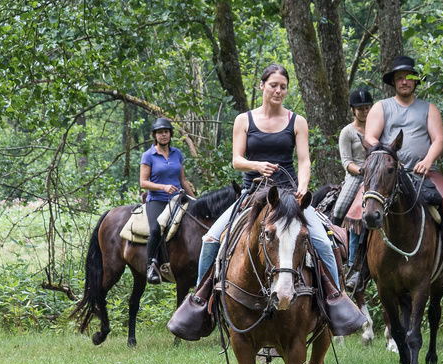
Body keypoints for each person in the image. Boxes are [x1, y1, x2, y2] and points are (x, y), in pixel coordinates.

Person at [168, 63, 367, 340]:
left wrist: (303, 188)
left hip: (288, 197)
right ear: (262, 86)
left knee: (322, 239)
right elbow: (237, 160)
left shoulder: (296, 121)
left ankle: (335, 298)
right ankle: (204, 302)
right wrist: (257, 165)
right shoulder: (244, 120)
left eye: (283, 86)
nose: (278, 90)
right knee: (212, 239)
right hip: (253, 195)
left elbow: (304, 160)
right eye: (273, 85)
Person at [359, 55, 443, 285]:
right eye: (400, 78)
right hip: (386, 173)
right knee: (358, 209)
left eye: (409, 78)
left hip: (422, 172)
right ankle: (358, 265)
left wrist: (428, 160)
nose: (404, 82)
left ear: (415, 82)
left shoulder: (428, 108)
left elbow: (439, 138)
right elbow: (370, 137)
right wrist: (389, 158)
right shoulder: (381, 107)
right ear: (394, 82)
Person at [139, 117, 196, 284]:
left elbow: (183, 180)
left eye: (166, 132)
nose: (163, 135)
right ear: (155, 135)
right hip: (157, 200)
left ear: (170, 134)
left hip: (178, 199)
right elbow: (143, 182)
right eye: (160, 133)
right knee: (156, 229)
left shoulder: (177, 153)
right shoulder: (148, 155)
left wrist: (194, 199)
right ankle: (151, 266)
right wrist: (163, 187)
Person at [334, 88, 372, 267]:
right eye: (360, 109)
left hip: (378, 173)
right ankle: (338, 244)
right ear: (353, 110)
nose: (364, 112)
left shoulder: (377, 127)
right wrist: (362, 170)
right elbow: (346, 161)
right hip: (356, 175)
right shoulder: (347, 132)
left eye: (367, 108)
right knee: (340, 209)